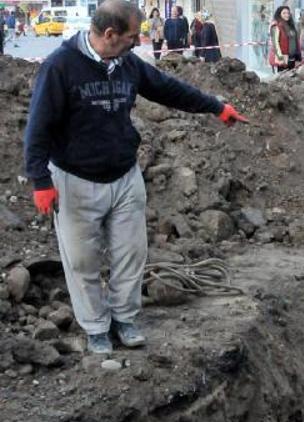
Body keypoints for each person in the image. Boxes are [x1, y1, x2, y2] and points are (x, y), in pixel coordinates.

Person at [23, 0, 248, 355]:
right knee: (82, 261)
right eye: (131, 36)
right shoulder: (60, 67)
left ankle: (124, 320)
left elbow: (168, 89)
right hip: (75, 179)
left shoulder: (126, 63)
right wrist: (40, 181)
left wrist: (216, 107)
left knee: (131, 253)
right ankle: (96, 327)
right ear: (110, 35)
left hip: (125, 176)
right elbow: (37, 128)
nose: (136, 42)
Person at [270, 5, 301, 72]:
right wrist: (280, 57)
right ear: (279, 14)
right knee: (282, 79)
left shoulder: (291, 26)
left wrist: (298, 57)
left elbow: (296, 42)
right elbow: (275, 43)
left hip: (292, 58)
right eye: (284, 13)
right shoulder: (276, 26)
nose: (287, 15)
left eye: (288, 13)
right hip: (283, 59)